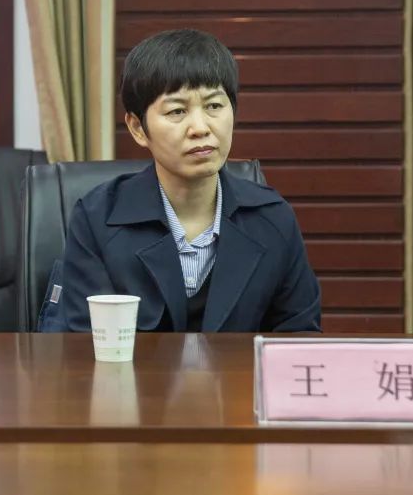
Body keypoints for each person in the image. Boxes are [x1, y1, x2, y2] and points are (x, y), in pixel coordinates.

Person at [41, 28, 320, 332]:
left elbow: (297, 339)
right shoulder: (96, 219)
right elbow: (84, 345)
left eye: (214, 106)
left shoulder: (273, 219)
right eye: (177, 111)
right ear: (137, 128)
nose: (200, 128)